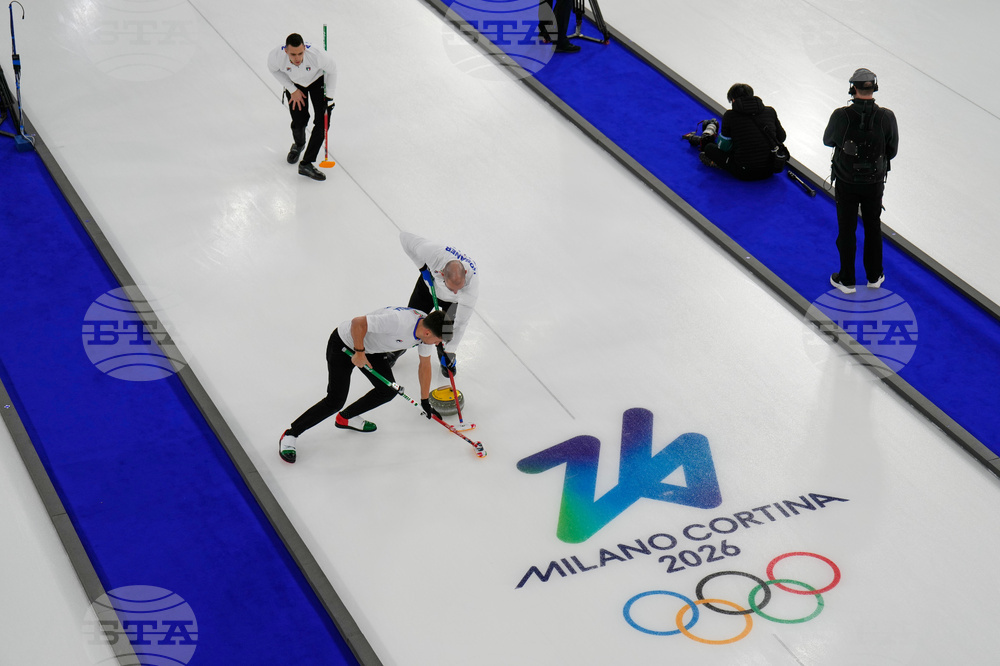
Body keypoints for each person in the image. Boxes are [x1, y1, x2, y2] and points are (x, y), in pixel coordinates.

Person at [279, 308, 446, 463]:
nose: (437, 344)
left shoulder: (425, 333)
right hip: (344, 344)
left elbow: (425, 365)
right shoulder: (398, 321)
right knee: (335, 401)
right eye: (438, 341)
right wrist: (359, 353)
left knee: (387, 391)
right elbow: (358, 322)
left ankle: (346, 417)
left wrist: (425, 400)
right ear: (427, 332)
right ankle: (291, 434)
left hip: (371, 350)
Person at [824, 68, 899, 294]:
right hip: (874, 183)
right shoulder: (887, 117)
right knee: (873, 228)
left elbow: (828, 140)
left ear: (852, 88)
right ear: (874, 88)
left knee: (846, 229)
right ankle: (874, 275)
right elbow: (892, 150)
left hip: (847, 182)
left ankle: (846, 279)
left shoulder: (841, 115)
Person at [400, 231, 479, 377]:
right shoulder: (434, 253)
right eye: (451, 288)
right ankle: (398, 347)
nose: (455, 292)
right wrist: (422, 267)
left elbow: (461, 323)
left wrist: (451, 350)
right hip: (428, 288)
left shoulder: (470, 289)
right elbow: (404, 237)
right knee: (412, 320)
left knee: (447, 330)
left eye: (459, 288)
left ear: (465, 272)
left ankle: (444, 354)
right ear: (442, 273)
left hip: (453, 304)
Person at [267, 33, 337, 182]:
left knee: (323, 122)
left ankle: (307, 163)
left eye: (300, 53)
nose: (297, 58)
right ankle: (299, 145)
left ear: (304, 48)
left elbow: (332, 70)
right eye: (293, 54)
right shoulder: (276, 57)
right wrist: (292, 89)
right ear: (286, 51)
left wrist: (329, 98)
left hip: (317, 81)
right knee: (299, 120)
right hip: (295, 84)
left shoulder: (318, 56)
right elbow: (273, 70)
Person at [683, 83, 786, 181]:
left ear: (733, 100)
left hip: (744, 172)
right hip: (770, 170)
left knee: (709, 147)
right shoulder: (770, 111)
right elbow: (782, 137)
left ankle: (717, 163)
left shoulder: (730, 116)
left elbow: (723, 147)